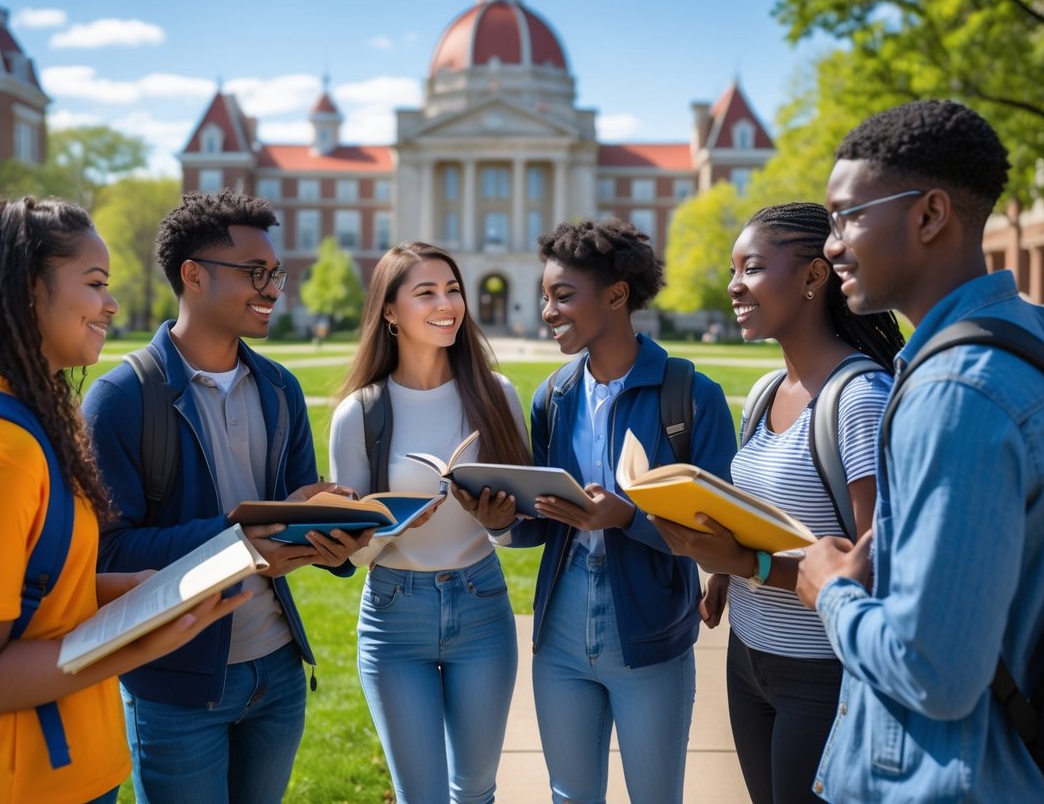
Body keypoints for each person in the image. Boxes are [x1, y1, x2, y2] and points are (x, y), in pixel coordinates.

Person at [0, 197, 246, 804]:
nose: (111, 303)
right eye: (95, 283)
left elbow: (17, 594)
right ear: (26, 291)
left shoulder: (11, 425)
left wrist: (125, 592)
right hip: (13, 783)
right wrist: (138, 643)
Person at [795, 99, 1044, 801]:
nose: (829, 245)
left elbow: (934, 672)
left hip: (946, 780)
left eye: (846, 216)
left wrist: (827, 590)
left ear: (928, 215)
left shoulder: (956, 393)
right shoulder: (1034, 335)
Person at [83, 190, 370, 804]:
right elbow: (105, 555)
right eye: (255, 273)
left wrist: (332, 532)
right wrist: (237, 546)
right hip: (177, 683)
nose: (273, 288)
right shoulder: (120, 398)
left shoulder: (280, 388)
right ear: (193, 275)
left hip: (279, 671)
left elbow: (285, 513)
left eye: (276, 274)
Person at [467, 218, 737, 803]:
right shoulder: (554, 396)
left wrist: (626, 519)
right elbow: (541, 520)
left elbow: (722, 534)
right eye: (545, 297)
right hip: (560, 629)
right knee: (570, 796)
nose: (547, 311)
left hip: (649, 631)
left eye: (563, 296)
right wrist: (500, 523)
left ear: (616, 295)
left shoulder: (692, 395)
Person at [651, 202, 904, 803]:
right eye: (734, 269)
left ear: (815, 277)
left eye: (753, 268)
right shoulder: (764, 394)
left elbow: (879, 571)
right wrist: (724, 569)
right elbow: (770, 516)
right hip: (748, 657)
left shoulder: (860, 398)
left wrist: (748, 566)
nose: (734, 286)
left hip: (823, 673)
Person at [329, 241, 531, 804]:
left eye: (453, 289)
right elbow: (349, 555)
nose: (447, 304)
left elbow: (519, 532)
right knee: (420, 795)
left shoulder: (496, 395)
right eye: (426, 293)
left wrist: (497, 522)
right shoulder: (359, 412)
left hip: (482, 602)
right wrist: (392, 527)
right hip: (394, 615)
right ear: (390, 311)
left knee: (474, 790)